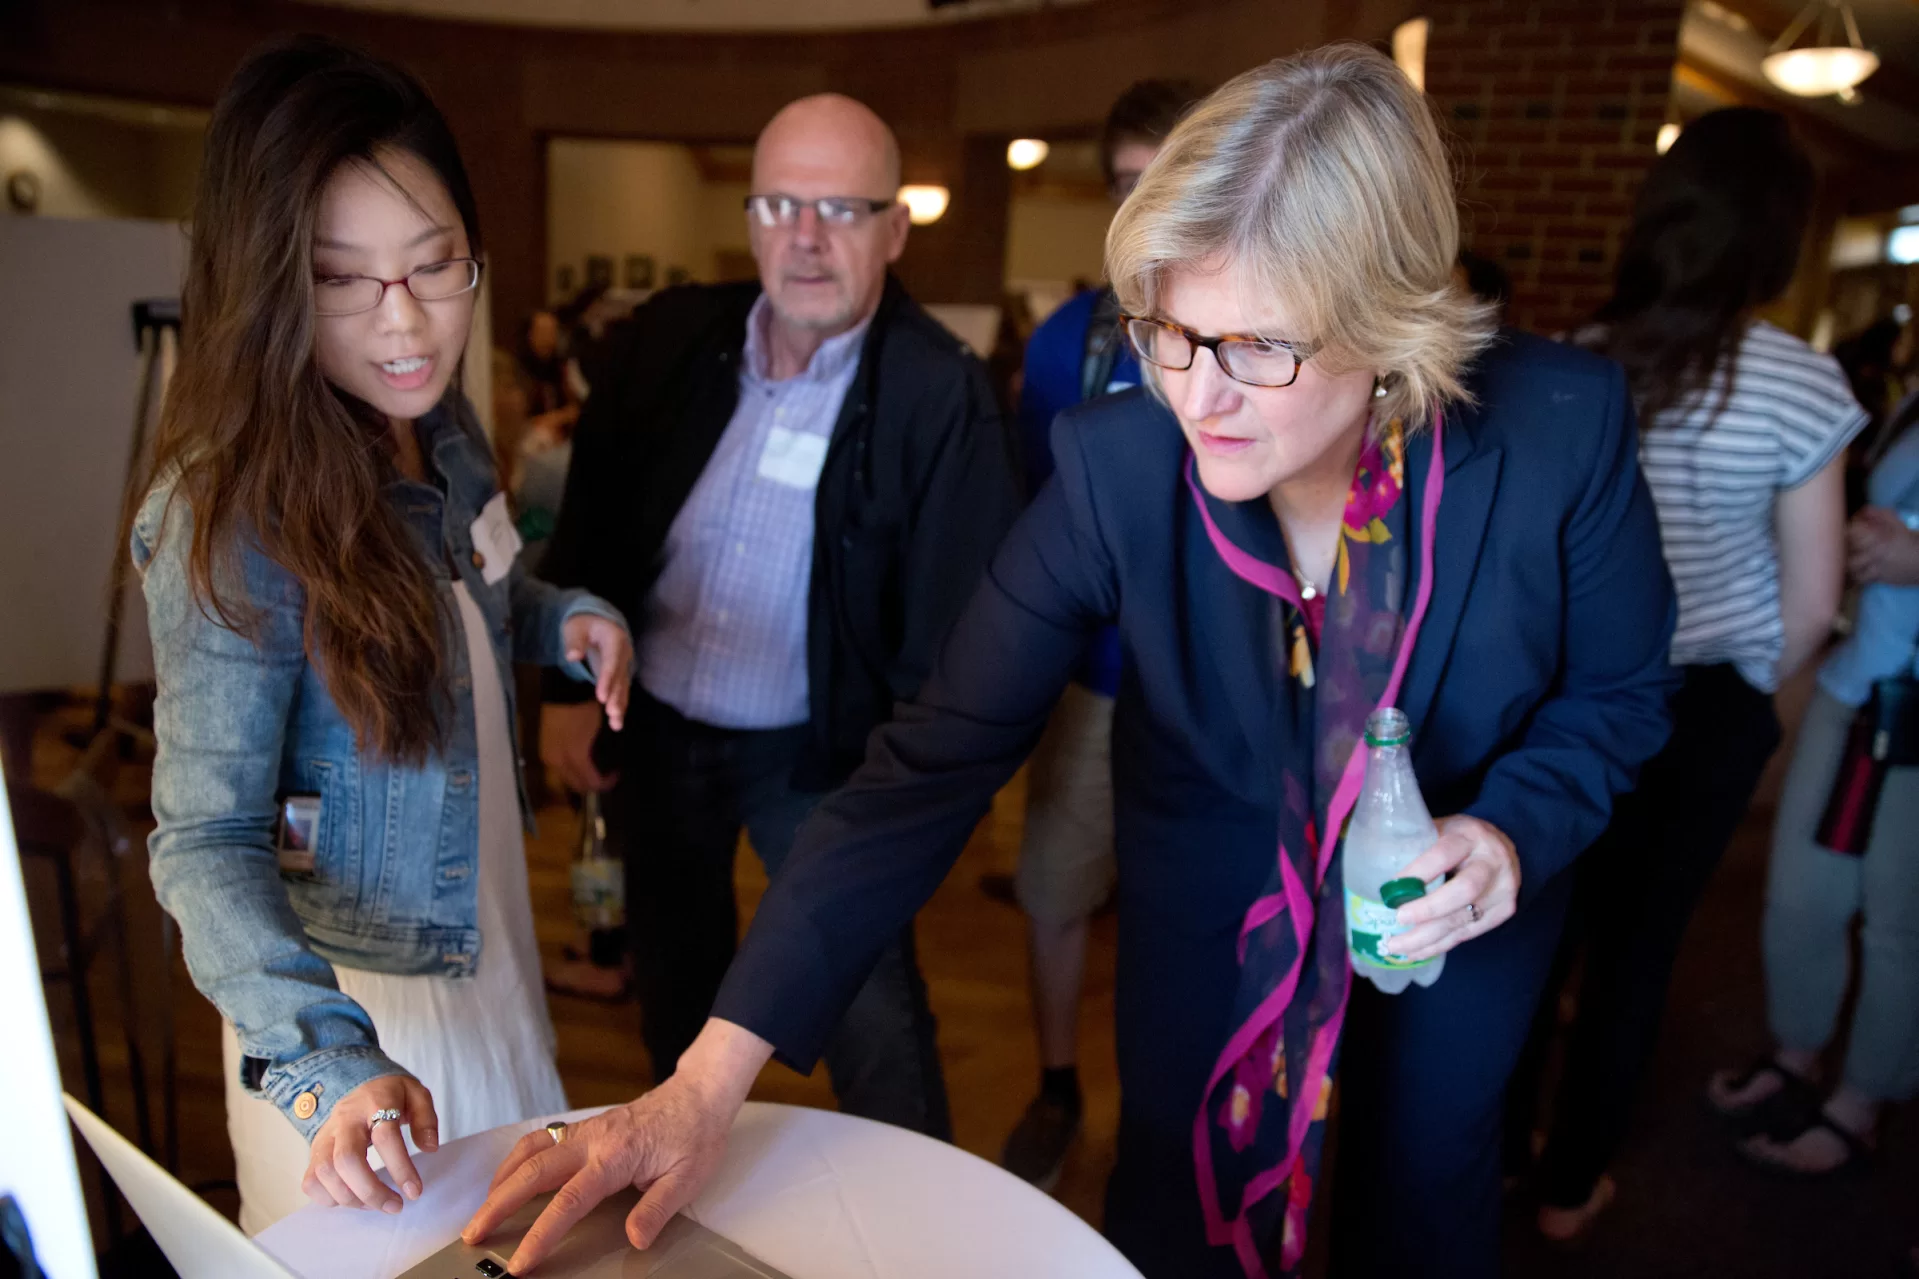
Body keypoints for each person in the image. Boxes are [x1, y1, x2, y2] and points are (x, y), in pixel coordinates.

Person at [467, 44, 1679, 1279]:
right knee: (1174, 1190)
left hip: (1450, 927)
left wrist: (1509, 833)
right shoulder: (1117, 463)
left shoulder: (1555, 430)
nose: (1198, 395)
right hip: (1212, 905)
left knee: (1420, 1195)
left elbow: (1619, 698)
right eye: (1169, 330)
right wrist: (705, 1077)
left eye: (1258, 345)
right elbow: (930, 759)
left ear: (1389, 319)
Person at [126, 36, 633, 1233]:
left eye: (433, 265)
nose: (404, 323)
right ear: (267, 288)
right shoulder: (230, 509)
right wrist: (327, 1061)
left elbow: (477, 593)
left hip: (483, 946)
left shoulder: (435, 425)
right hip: (355, 1023)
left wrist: (566, 620)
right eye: (341, 279)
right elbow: (202, 840)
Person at [534, 92, 1022, 1138]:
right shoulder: (670, 336)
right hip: (654, 725)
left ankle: (910, 1222)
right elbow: (593, 520)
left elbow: (950, 637)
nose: (804, 237)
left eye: (840, 209)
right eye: (779, 204)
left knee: (871, 1016)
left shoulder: (940, 394)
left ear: (894, 228)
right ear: (750, 218)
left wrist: (894, 798)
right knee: (676, 990)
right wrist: (566, 689)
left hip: (823, 755)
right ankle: (683, 1195)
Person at [1513, 106, 1867, 1242]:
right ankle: (1570, 1190)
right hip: (1700, 704)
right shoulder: (1798, 386)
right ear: (1774, 238)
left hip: (1566, 696)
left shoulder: (1571, 358)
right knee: (1635, 954)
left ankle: (1489, 1159)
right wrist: (1752, 695)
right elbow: (1812, 603)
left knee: (1533, 933)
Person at [995, 76, 1200, 1191]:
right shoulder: (1070, 340)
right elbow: (1039, 513)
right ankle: (1058, 1079)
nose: (1150, 202)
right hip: (1095, 679)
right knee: (1054, 887)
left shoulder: (1268, 320)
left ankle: (1171, 1107)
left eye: (1169, 174)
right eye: (1128, 182)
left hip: (1224, 687)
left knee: (1192, 904)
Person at [1706, 419, 1919, 1173]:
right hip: (1859, 678)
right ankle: (1797, 1057)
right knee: (1800, 893)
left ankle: (1860, 1103)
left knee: (1900, 923)